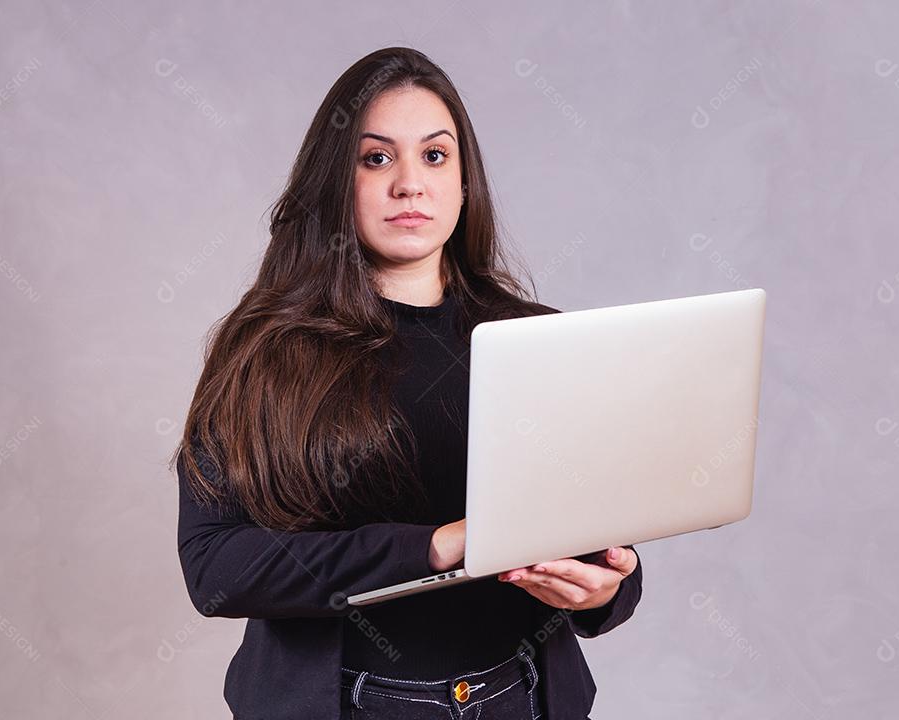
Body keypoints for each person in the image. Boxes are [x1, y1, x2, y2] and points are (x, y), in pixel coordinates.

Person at [173, 46, 643, 720]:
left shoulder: (541, 339)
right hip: (347, 704)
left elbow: (604, 538)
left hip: (521, 697)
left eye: (434, 155)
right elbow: (217, 570)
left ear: (462, 179)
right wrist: (437, 547)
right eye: (375, 158)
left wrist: (605, 590)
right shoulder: (264, 352)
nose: (410, 184)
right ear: (335, 180)